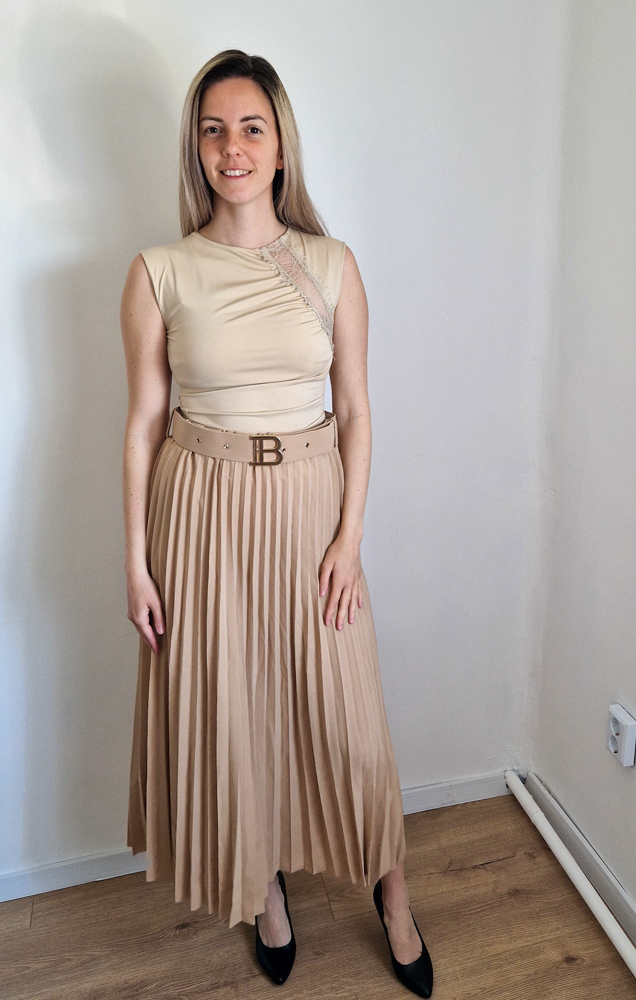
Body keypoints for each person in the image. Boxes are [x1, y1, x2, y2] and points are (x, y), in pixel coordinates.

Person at [119, 49, 434, 997]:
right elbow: (142, 422)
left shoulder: (331, 265)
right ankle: (265, 895)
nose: (232, 147)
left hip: (308, 506)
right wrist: (135, 560)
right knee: (233, 715)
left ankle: (395, 897)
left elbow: (359, 410)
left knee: (349, 720)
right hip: (200, 508)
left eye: (251, 127)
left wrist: (350, 537)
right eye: (214, 130)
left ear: (281, 144)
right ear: (196, 147)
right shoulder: (161, 271)